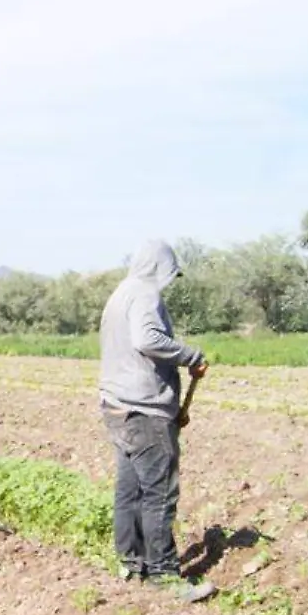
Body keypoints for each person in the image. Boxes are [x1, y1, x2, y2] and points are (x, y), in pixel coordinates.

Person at [97, 241, 208, 592]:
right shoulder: (145, 294)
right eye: (170, 274)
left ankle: (132, 564)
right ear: (159, 268)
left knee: (129, 490)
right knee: (159, 492)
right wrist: (189, 356)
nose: (169, 282)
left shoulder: (120, 293)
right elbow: (147, 339)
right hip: (144, 410)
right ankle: (164, 574)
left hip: (117, 406)